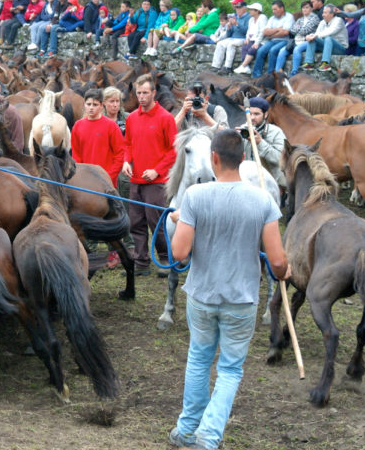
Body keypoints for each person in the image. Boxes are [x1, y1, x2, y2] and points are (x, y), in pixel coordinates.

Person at [168, 128, 289, 450]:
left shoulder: (195, 196)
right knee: (231, 369)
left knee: (198, 359)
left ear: (214, 158)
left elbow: (179, 253)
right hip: (242, 299)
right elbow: (276, 261)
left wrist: (184, 220)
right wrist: (284, 270)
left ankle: (187, 430)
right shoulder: (263, 199)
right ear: (245, 158)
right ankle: (208, 436)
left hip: (202, 296)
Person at [122, 74, 177, 275]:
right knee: (135, 222)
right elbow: (127, 144)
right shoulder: (132, 118)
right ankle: (141, 261)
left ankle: (164, 259)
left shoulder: (165, 118)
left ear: (154, 93)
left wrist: (157, 170)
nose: (142, 96)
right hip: (136, 179)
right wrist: (126, 161)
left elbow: (173, 150)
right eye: (139, 93)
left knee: (157, 222)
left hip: (157, 181)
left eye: (145, 92)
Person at [71, 88, 125, 188]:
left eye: (95, 105)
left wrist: (109, 176)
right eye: (88, 104)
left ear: (101, 106)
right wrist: (80, 175)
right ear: (84, 104)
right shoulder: (77, 126)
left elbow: (120, 155)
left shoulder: (111, 126)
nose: (91, 108)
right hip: (85, 181)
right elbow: (76, 154)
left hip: (107, 183)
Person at [238, 97, 285, 187]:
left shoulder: (276, 132)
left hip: (270, 184)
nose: (252, 118)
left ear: (266, 114)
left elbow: (281, 159)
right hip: (247, 183)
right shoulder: (242, 130)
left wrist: (260, 142)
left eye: (256, 114)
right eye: (250, 114)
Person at [249, 0, 294, 78]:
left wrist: (272, 34)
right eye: (272, 9)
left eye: (275, 9)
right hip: (273, 40)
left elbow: (285, 32)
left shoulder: (289, 17)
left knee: (273, 51)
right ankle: (256, 75)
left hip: (285, 40)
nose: (273, 11)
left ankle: (271, 76)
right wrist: (278, 29)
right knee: (260, 51)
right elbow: (265, 32)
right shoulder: (272, 18)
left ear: (282, 8)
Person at [210, 0, 250, 74]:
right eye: (237, 8)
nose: (237, 9)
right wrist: (229, 28)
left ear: (244, 9)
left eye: (239, 8)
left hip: (242, 38)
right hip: (233, 38)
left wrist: (237, 24)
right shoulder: (235, 16)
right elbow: (229, 34)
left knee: (231, 45)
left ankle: (228, 67)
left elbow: (246, 31)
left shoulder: (248, 17)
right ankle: (216, 66)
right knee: (220, 43)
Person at [303, 4, 348, 73]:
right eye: (323, 12)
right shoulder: (322, 22)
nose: (323, 15)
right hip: (327, 46)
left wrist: (315, 36)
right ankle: (309, 63)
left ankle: (325, 64)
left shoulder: (338, 21)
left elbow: (330, 32)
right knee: (312, 38)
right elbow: (317, 33)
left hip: (340, 48)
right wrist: (309, 36)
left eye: (325, 13)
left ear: (332, 14)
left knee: (328, 38)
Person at [281, 0, 320, 74]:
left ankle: (294, 72)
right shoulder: (300, 19)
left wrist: (298, 28)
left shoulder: (315, 18)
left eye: (307, 7)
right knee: (282, 51)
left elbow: (306, 30)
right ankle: (278, 72)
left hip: (309, 42)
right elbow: (292, 30)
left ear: (311, 9)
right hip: (297, 41)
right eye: (303, 8)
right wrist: (299, 29)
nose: (304, 9)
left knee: (297, 49)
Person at [232, 2, 267, 75]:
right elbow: (248, 30)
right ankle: (246, 67)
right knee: (245, 47)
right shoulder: (251, 19)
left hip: (261, 41)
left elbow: (262, 32)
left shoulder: (262, 18)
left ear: (257, 11)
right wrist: (247, 38)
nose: (249, 11)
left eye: (251, 10)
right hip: (252, 39)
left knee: (252, 49)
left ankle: (243, 65)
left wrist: (257, 43)